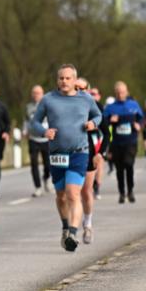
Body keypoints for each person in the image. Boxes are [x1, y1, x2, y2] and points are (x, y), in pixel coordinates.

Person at [29, 64, 102, 252]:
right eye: (61, 78)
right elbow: (34, 122)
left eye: (68, 78)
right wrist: (45, 131)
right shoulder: (48, 100)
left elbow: (98, 115)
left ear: (75, 80)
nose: (64, 81)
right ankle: (64, 226)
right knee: (61, 196)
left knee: (73, 193)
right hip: (56, 154)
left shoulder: (86, 99)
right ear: (57, 80)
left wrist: (93, 123)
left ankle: (72, 232)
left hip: (80, 152)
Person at [75, 78, 109, 244]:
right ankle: (70, 229)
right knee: (70, 193)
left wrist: (101, 153)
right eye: (77, 88)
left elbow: (107, 134)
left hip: (88, 152)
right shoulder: (65, 106)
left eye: (83, 88)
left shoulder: (95, 107)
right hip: (70, 152)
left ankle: (87, 224)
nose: (80, 91)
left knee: (86, 191)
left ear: (88, 90)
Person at [103, 81, 143, 204]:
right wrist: (110, 120)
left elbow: (141, 119)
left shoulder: (134, 104)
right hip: (116, 143)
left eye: (123, 92)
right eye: (118, 92)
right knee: (119, 169)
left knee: (129, 164)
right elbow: (103, 123)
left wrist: (139, 125)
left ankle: (130, 191)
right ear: (115, 93)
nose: (121, 94)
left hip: (131, 141)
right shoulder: (110, 107)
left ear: (127, 92)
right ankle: (121, 193)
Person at [24, 84, 52, 197]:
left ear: (43, 94)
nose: (36, 95)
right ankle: (38, 187)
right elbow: (26, 121)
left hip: (46, 139)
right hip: (33, 139)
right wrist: (24, 130)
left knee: (48, 164)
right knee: (34, 163)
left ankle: (46, 178)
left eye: (38, 93)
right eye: (34, 93)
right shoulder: (28, 107)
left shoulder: (48, 106)